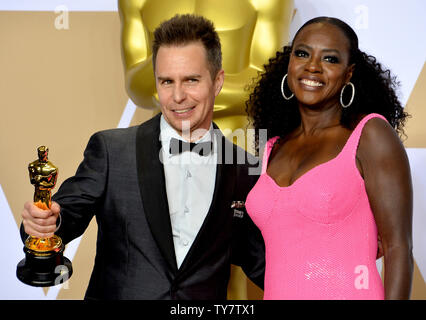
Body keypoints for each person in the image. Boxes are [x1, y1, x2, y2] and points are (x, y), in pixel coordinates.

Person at [20, 14, 265, 300]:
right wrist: (44, 224)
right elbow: (65, 217)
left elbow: (263, 263)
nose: (177, 96)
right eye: (166, 81)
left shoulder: (245, 168)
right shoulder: (112, 150)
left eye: (191, 80)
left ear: (217, 81)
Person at [245, 16, 413, 300]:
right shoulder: (272, 147)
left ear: (349, 74)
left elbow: (398, 248)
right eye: (302, 53)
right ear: (289, 63)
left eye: (330, 59)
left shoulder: (369, 135)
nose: (312, 66)